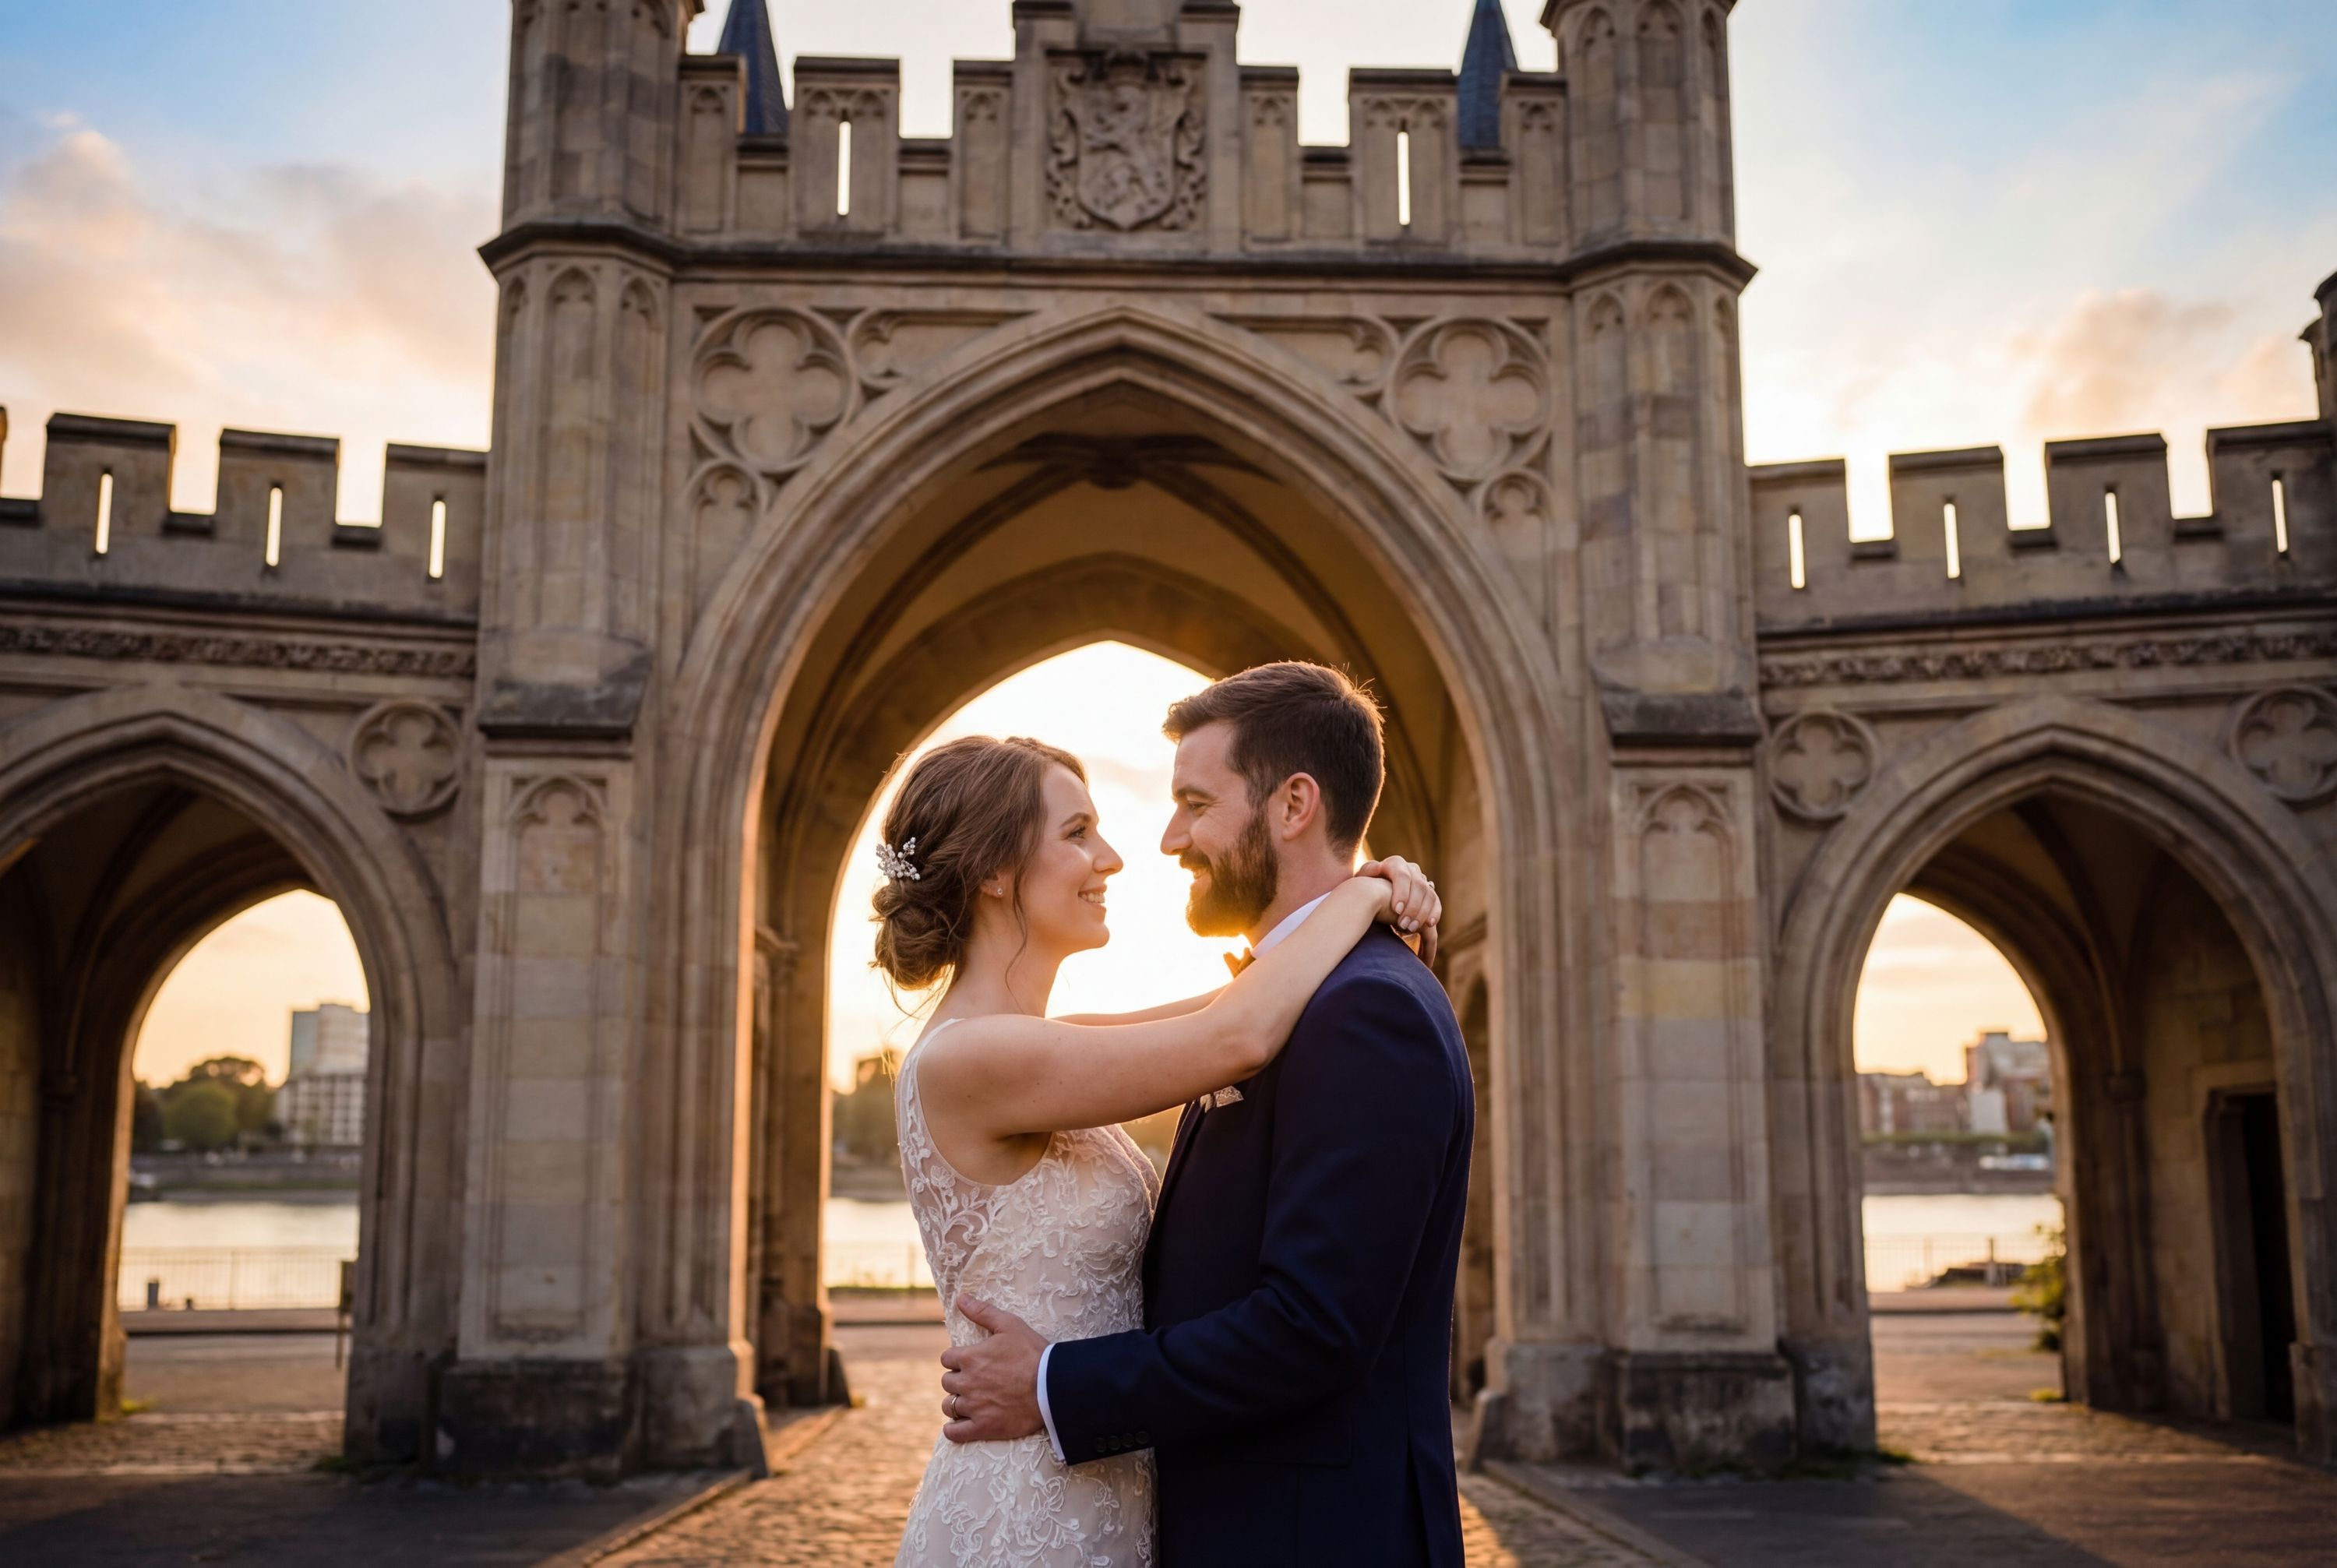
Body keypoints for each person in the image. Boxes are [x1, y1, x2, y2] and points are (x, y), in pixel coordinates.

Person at [934, 663, 1475, 1568]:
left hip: (1309, 1541)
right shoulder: (1278, 1007)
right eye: (1077, 833)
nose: (1165, 839)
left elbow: (1312, 1328)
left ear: (1293, 805)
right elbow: (1228, 1030)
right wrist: (1365, 894)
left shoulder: (1366, 1010)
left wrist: (1058, 1385)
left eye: (1194, 803)